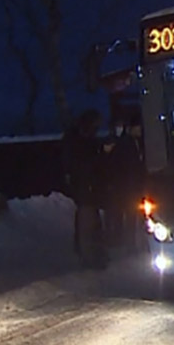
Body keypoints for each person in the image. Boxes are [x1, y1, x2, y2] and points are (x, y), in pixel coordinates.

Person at [65, 109, 108, 269]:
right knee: (87, 224)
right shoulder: (82, 141)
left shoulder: (78, 139)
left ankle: (91, 255)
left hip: (86, 188)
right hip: (86, 188)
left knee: (89, 222)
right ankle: (89, 258)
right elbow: (85, 164)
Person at [107, 109, 146, 252]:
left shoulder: (139, 143)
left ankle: (130, 243)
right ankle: (126, 243)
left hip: (134, 186)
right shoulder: (124, 144)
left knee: (132, 215)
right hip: (126, 186)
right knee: (127, 215)